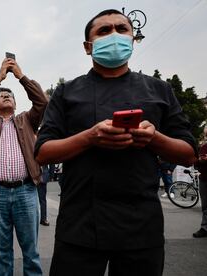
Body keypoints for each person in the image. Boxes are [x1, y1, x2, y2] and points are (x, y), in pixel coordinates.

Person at [35, 9, 197, 276]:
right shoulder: (66, 92)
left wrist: (154, 138)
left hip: (141, 227)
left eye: (122, 29)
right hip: (80, 225)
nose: (114, 35)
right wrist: (90, 136)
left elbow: (189, 153)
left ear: (133, 39)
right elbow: (42, 153)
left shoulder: (159, 90)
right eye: (103, 31)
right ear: (88, 47)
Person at [0, 58, 47, 276]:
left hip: (26, 191)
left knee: (30, 249)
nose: (6, 96)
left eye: (10, 95)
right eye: (1, 96)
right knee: (1, 250)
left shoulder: (27, 120)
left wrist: (21, 76)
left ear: (15, 104)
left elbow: (42, 101)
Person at [193, 142, 207, 238]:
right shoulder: (204, 147)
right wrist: (200, 160)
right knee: (205, 205)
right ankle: (204, 228)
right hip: (205, 179)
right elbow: (195, 163)